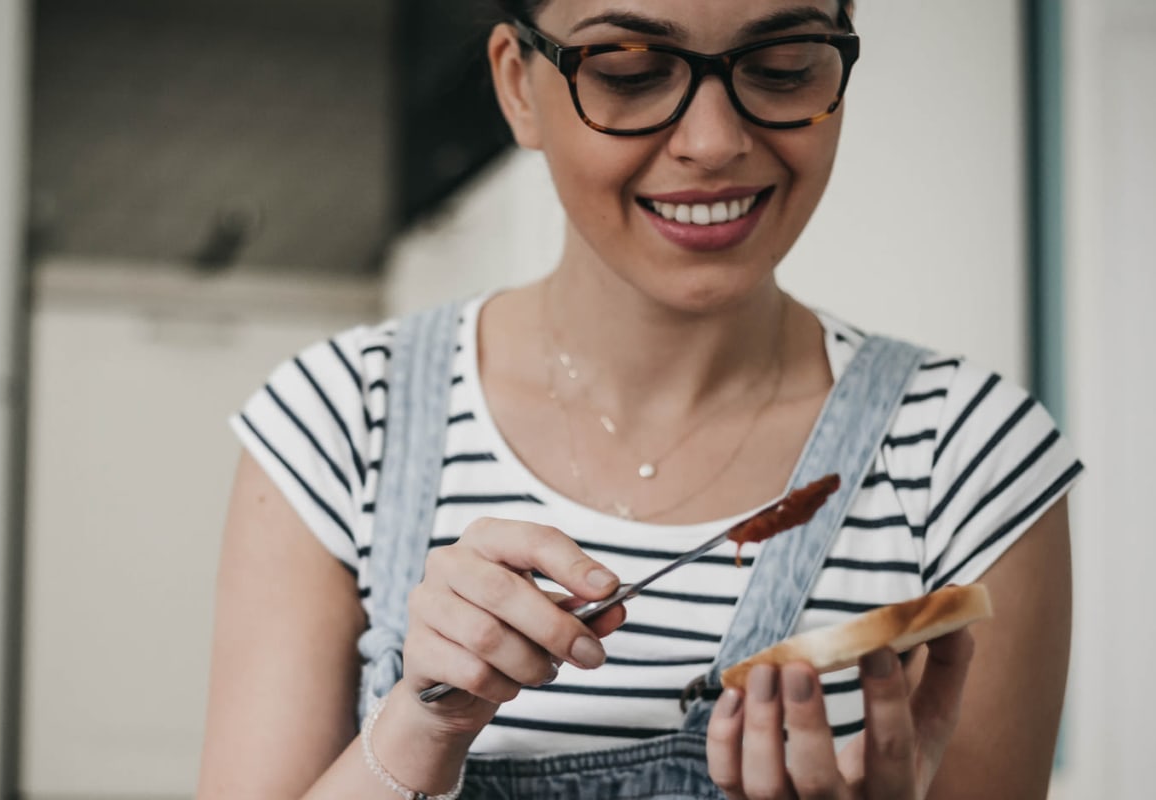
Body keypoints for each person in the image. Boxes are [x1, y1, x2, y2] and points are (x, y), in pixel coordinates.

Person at [198, 0, 1079, 797]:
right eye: (628, 70)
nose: (713, 140)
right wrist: (417, 730)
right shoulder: (343, 417)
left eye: (782, 65)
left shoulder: (970, 458)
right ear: (517, 85)